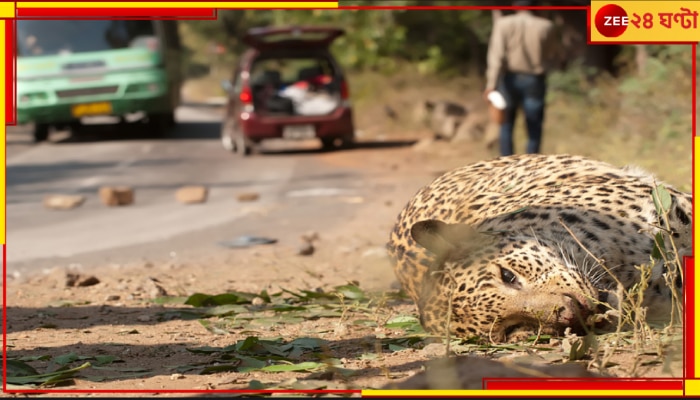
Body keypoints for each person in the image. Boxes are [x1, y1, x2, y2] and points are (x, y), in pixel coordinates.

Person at [483, 0, 559, 156]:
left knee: (506, 124)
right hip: (535, 80)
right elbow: (551, 54)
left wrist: (491, 84)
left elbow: (496, 57)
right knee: (534, 124)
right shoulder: (546, 26)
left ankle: (506, 163)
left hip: (509, 78)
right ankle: (532, 163)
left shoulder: (503, 24)